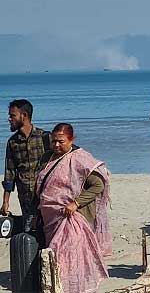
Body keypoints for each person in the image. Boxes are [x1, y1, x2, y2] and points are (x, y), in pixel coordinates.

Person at [35, 123, 111, 293]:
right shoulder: (47, 157)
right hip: (50, 219)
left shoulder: (79, 158)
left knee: (66, 258)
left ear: (71, 140)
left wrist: (76, 203)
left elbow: (98, 185)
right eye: (53, 141)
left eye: (61, 141)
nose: (56, 145)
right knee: (55, 258)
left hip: (72, 220)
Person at [2, 99, 50, 225]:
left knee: (48, 228)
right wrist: (6, 201)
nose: (9, 119)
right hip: (25, 197)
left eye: (12, 115)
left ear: (24, 116)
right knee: (29, 230)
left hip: (46, 194)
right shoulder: (12, 142)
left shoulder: (45, 137)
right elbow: (9, 172)